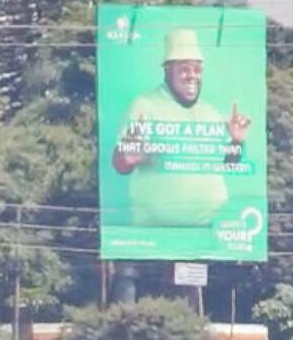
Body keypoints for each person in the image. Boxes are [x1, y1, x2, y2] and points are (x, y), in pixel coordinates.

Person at [107, 28, 253, 228]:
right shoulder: (145, 106)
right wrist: (127, 156)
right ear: (168, 71)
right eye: (184, 69)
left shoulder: (210, 113)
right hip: (155, 235)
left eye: (197, 70)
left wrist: (237, 141)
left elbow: (229, 165)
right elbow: (120, 164)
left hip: (211, 234)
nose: (192, 76)